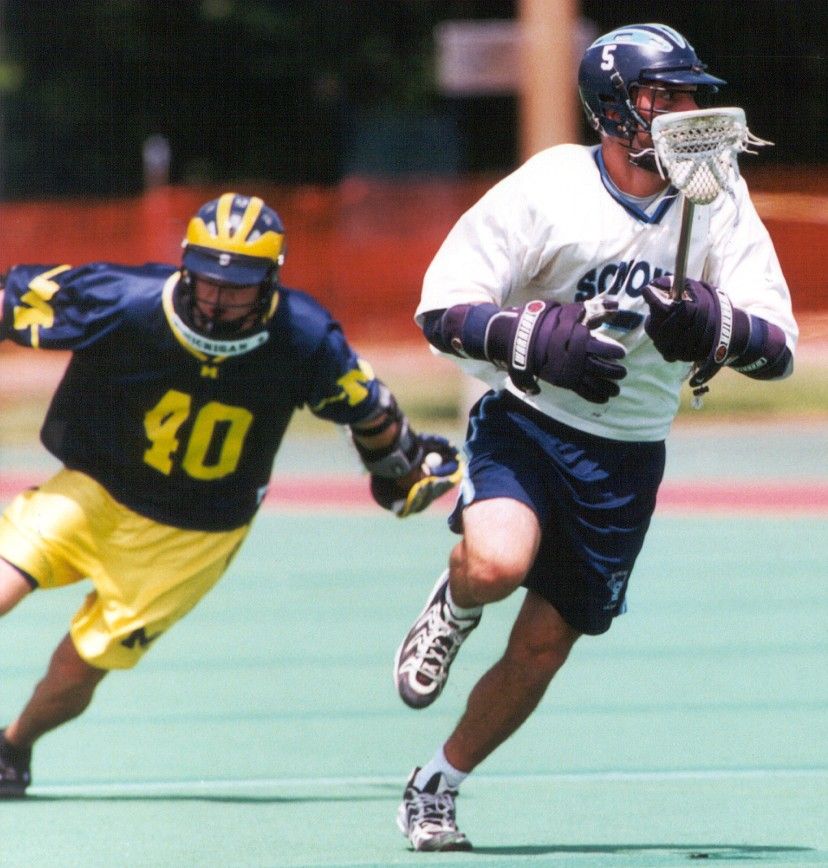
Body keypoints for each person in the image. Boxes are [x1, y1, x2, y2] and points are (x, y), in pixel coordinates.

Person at [392, 23, 798, 852]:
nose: (683, 112)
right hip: (531, 422)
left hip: (627, 453)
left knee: (543, 648)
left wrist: (715, 327)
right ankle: (455, 604)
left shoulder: (716, 194)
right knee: (496, 563)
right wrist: (532, 340)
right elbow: (441, 307)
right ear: (615, 107)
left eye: (690, 95)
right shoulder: (552, 187)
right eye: (664, 96)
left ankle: (438, 781)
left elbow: (779, 347)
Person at [0, 192, 462, 797]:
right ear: (185, 266)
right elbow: (12, 300)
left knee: (81, 663)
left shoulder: (302, 335)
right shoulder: (127, 299)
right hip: (94, 489)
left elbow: (366, 407)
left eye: (238, 286)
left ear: (269, 281)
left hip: (192, 536)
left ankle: (13, 748)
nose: (218, 298)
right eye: (208, 280)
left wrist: (397, 462)